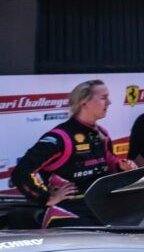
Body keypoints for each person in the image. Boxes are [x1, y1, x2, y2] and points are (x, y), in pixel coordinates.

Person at [12, 80, 136, 227]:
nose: (109, 102)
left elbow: (110, 165)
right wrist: (46, 198)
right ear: (84, 102)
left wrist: (122, 167)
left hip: (100, 210)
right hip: (68, 216)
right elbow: (21, 172)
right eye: (103, 97)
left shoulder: (102, 134)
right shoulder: (61, 137)